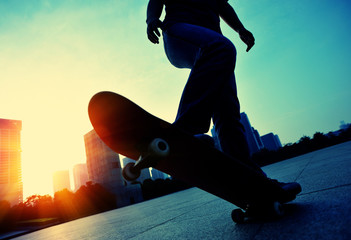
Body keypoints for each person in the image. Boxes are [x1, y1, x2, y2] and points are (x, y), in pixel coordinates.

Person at [146, 0, 301, 196]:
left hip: (212, 42)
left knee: (228, 109)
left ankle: (250, 181)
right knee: (222, 48)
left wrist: (240, 29)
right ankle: (185, 129)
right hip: (179, 31)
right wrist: (151, 19)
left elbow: (222, 6)